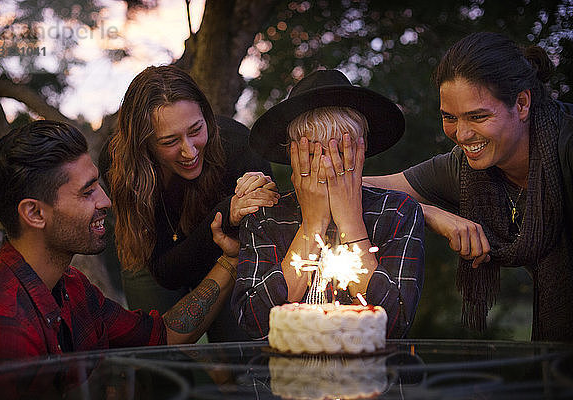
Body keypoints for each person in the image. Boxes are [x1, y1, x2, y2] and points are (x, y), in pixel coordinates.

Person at [362, 32, 573, 341]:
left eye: (478, 116)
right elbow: (354, 188)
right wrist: (428, 213)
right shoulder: (464, 168)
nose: (461, 134)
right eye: (450, 117)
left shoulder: (565, 147)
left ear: (522, 103)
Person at [0, 120, 239, 365]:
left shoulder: (75, 289)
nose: (106, 201)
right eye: (87, 192)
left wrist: (230, 259)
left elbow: (163, 335)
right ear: (35, 213)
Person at [231, 69, 425, 339]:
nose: (326, 165)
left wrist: (351, 223)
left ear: (362, 150)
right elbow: (252, 322)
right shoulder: (267, 217)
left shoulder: (397, 212)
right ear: (291, 154)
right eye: (312, 153)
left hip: (371, 376)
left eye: (340, 151)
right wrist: (312, 227)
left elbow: (393, 324)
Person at [103, 65, 279, 342]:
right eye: (169, 141)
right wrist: (226, 212)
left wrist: (261, 196)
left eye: (196, 130)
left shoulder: (238, 146)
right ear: (143, 143)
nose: (189, 151)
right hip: (155, 260)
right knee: (154, 355)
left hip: (227, 256)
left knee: (239, 355)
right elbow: (165, 272)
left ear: (206, 117)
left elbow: (266, 250)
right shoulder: (120, 166)